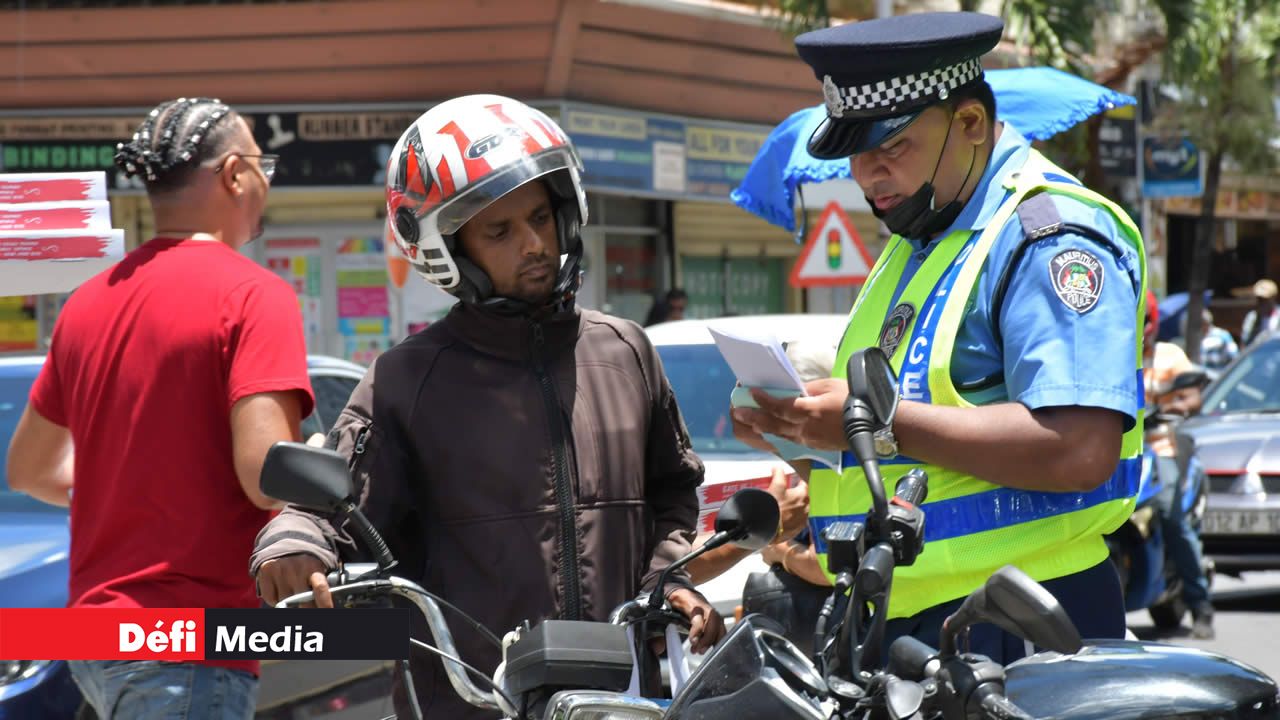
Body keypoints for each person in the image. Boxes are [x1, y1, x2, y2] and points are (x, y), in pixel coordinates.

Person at [248, 95, 722, 719]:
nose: (534, 244)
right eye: (499, 231)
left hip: (617, 698)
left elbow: (673, 494)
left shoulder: (625, 351)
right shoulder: (406, 380)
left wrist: (669, 581)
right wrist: (293, 542)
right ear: (450, 249)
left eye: (540, 217)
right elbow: (333, 507)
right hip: (470, 701)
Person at [732, 13, 1147, 664]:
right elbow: (918, 455)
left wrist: (874, 423)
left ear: (971, 122)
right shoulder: (917, 240)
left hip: (1021, 623)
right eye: (854, 154)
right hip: (902, 622)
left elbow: (1079, 448)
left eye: (891, 147)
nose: (867, 175)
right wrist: (800, 432)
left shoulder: (1049, 235)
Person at [6, 97, 314, 719]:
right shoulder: (254, 296)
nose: (265, 182)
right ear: (234, 174)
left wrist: (126, 480)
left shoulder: (87, 304)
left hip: (94, 638)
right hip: (187, 642)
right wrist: (323, 464)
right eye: (263, 166)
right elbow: (265, 476)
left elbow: (29, 470)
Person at [1143, 292, 1215, 639]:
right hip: (1120, 453)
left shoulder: (1169, 355)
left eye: (1144, 321)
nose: (1140, 328)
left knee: (1170, 515)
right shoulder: (1115, 355)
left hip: (1161, 447)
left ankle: (1201, 605)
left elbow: (1193, 396)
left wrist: (1170, 406)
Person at [1240, 278, 1279, 347]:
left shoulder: (1278, 315)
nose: (1261, 302)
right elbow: (1246, 340)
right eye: (1259, 299)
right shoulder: (1252, 316)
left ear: (1273, 298)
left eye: (1265, 299)